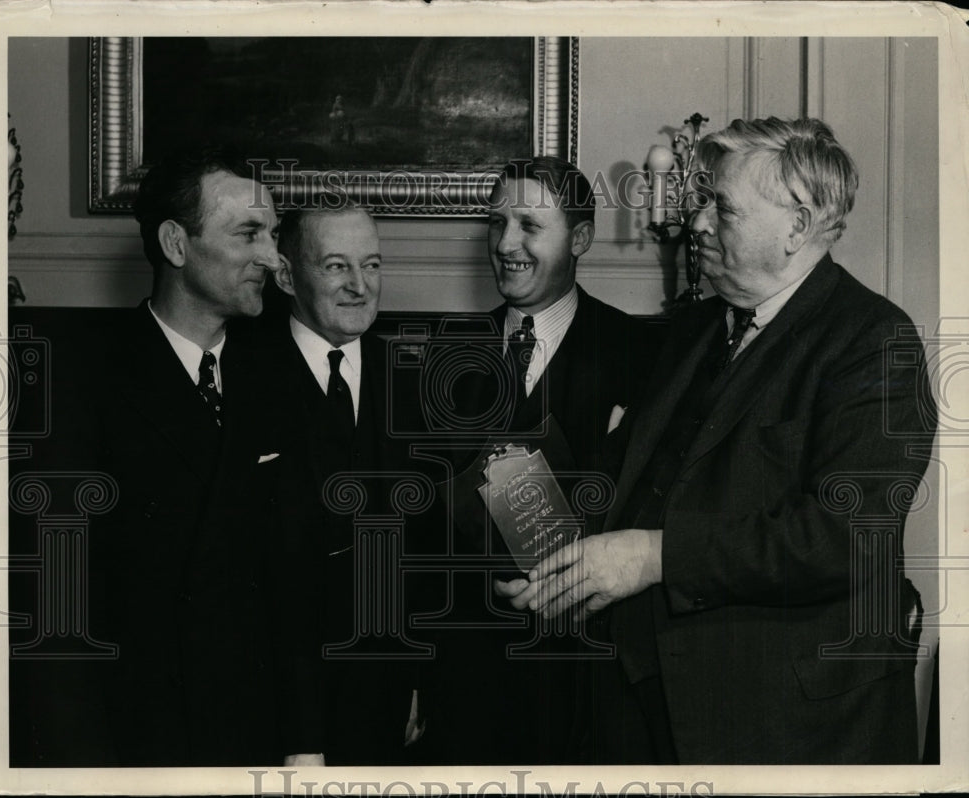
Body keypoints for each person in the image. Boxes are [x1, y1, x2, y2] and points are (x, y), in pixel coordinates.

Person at [500, 117, 936, 764]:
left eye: (722, 207)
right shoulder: (699, 327)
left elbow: (845, 536)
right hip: (646, 699)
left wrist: (655, 557)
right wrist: (531, 520)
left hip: (781, 721)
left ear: (796, 225)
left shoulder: (873, 340)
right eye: (702, 201)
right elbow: (630, 474)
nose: (698, 222)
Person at [10, 146, 298, 765]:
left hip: (254, 742)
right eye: (249, 232)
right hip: (134, 744)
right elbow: (58, 615)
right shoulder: (81, 384)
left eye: (273, 234)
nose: (273, 256)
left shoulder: (281, 379)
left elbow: (295, 587)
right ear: (175, 244)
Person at [419, 156, 653, 765]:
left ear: (579, 238)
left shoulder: (639, 352)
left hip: (585, 682)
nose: (506, 244)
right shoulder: (447, 351)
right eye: (498, 224)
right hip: (463, 679)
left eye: (529, 224)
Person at [259, 202, 419, 766]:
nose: (359, 286)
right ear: (285, 276)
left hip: (387, 705)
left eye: (371, 265)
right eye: (335, 267)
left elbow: (422, 549)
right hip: (271, 708)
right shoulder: (241, 373)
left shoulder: (409, 377)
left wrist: (418, 679)